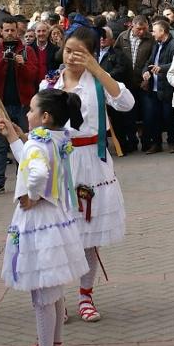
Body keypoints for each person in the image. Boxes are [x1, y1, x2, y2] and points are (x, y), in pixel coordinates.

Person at [42, 26, 134, 322]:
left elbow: (126, 103)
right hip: (60, 162)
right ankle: (58, 298)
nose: (71, 57)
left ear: (92, 54)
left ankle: (85, 294)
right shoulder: (50, 84)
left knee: (89, 234)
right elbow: (38, 126)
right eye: (68, 50)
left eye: (79, 53)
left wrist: (97, 70)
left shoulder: (97, 83)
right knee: (59, 233)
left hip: (93, 162)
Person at [0, 89, 90, 346]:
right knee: (53, 289)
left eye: (31, 109)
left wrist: (33, 194)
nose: (27, 113)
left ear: (45, 117)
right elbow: (29, 158)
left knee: (42, 292)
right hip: (55, 218)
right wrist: (14, 137)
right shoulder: (57, 137)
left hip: (38, 220)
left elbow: (35, 172)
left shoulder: (39, 143)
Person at [0, 17, 43, 197]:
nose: (10, 33)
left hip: (23, 105)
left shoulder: (27, 50)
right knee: (0, 145)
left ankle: (23, 181)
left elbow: (33, 75)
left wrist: (21, 64)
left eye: (13, 30)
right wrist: (3, 60)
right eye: (6, 30)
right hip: (0, 105)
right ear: (1, 31)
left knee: (24, 142)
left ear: (18, 31)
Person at [113, 16, 153, 153]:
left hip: (143, 83)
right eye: (138, 29)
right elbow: (116, 54)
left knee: (148, 114)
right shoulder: (123, 37)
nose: (141, 32)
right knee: (129, 115)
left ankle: (147, 141)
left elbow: (151, 59)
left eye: (144, 29)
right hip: (127, 82)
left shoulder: (150, 39)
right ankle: (132, 142)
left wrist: (147, 76)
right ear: (132, 26)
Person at [138, 20, 174, 153]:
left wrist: (161, 68)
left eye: (154, 30)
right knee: (153, 117)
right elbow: (149, 62)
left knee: (168, 116)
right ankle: (156, 143)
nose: (152, 33)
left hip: (166, 87)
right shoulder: (156, 45)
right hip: (153, 87)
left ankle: (172, 142)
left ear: (162, 31)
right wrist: (145, 71)